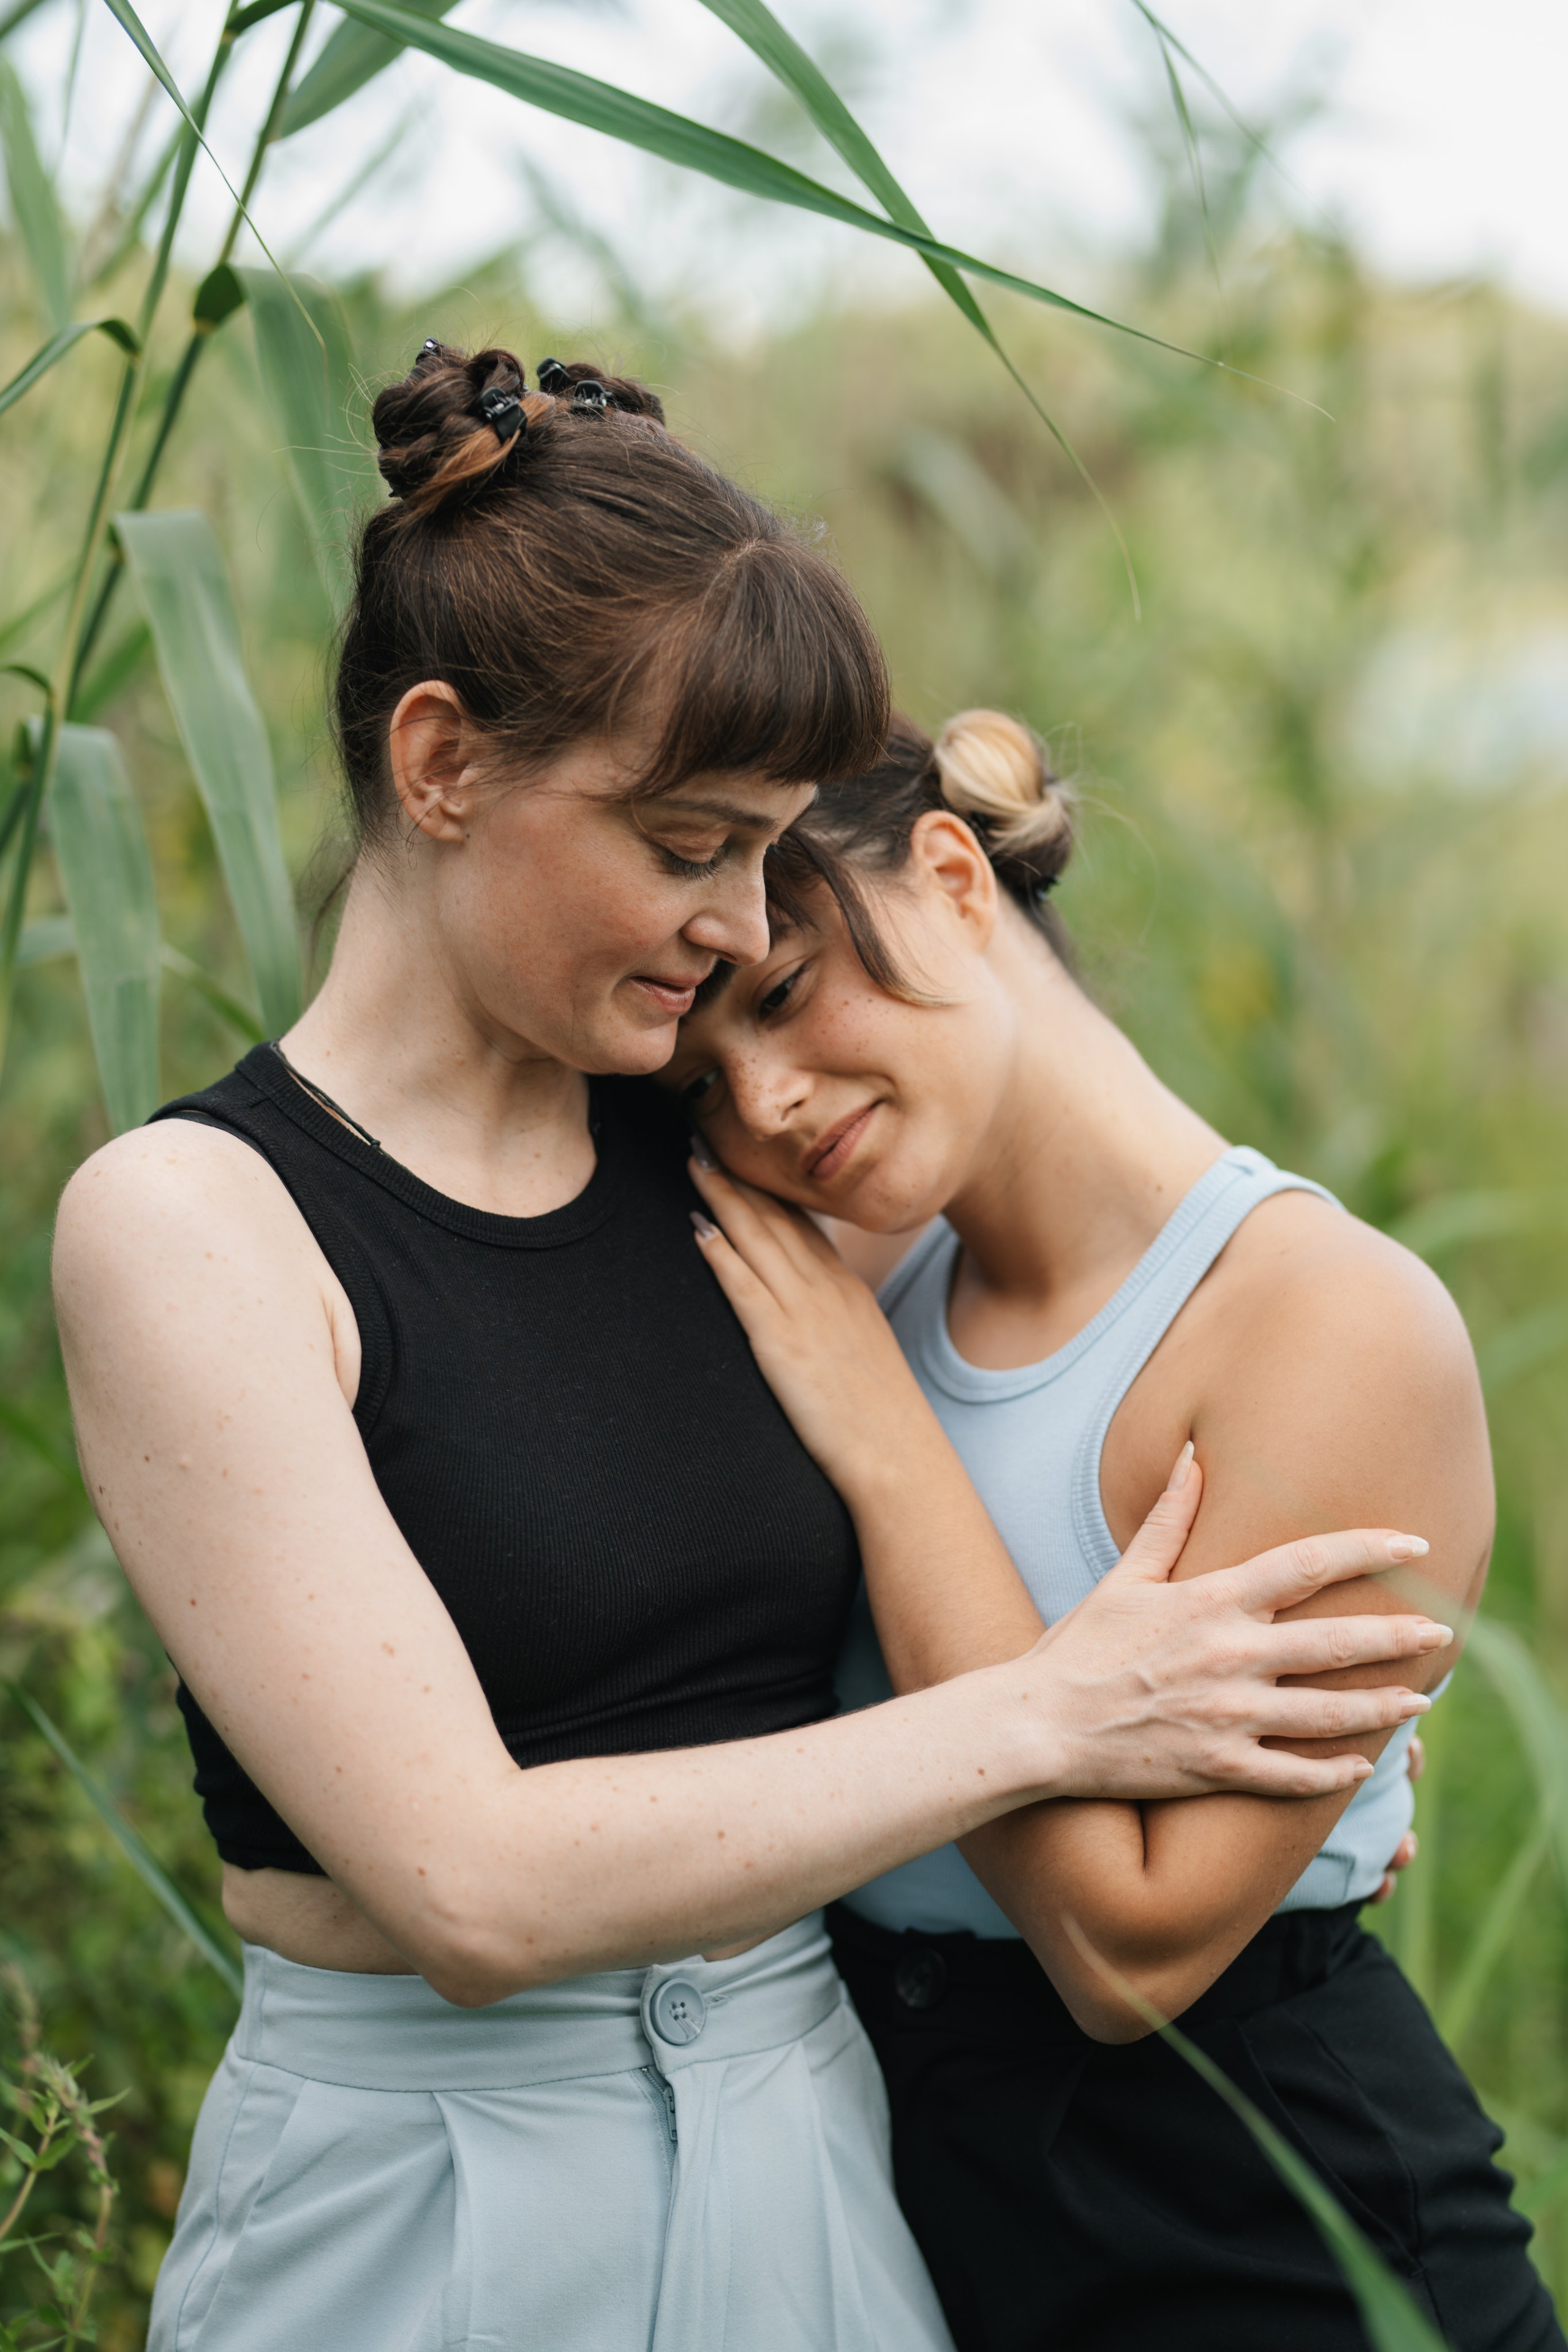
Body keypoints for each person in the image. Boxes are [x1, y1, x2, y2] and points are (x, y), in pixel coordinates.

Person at [55, 352, 1444, 2352]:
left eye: (770, 852)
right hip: (435, 2201)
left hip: (829, 2155)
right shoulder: (201, 1222)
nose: (735, 925)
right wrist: (1063, 1715)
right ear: (441, 765)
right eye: (691, 843)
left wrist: (1317, 1822)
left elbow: (1031, 1412)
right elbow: (470, 1887)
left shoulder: (737, 1165)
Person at [672, 707, 1563, 2352]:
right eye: (705, 1081)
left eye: (784, 993)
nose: (768, 1101)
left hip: (1264, 2235)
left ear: (955, 879)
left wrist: (891, 1449)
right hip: (916, 2210)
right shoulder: (854, 1281)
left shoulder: (1326, 1321)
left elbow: (1128, 1954)